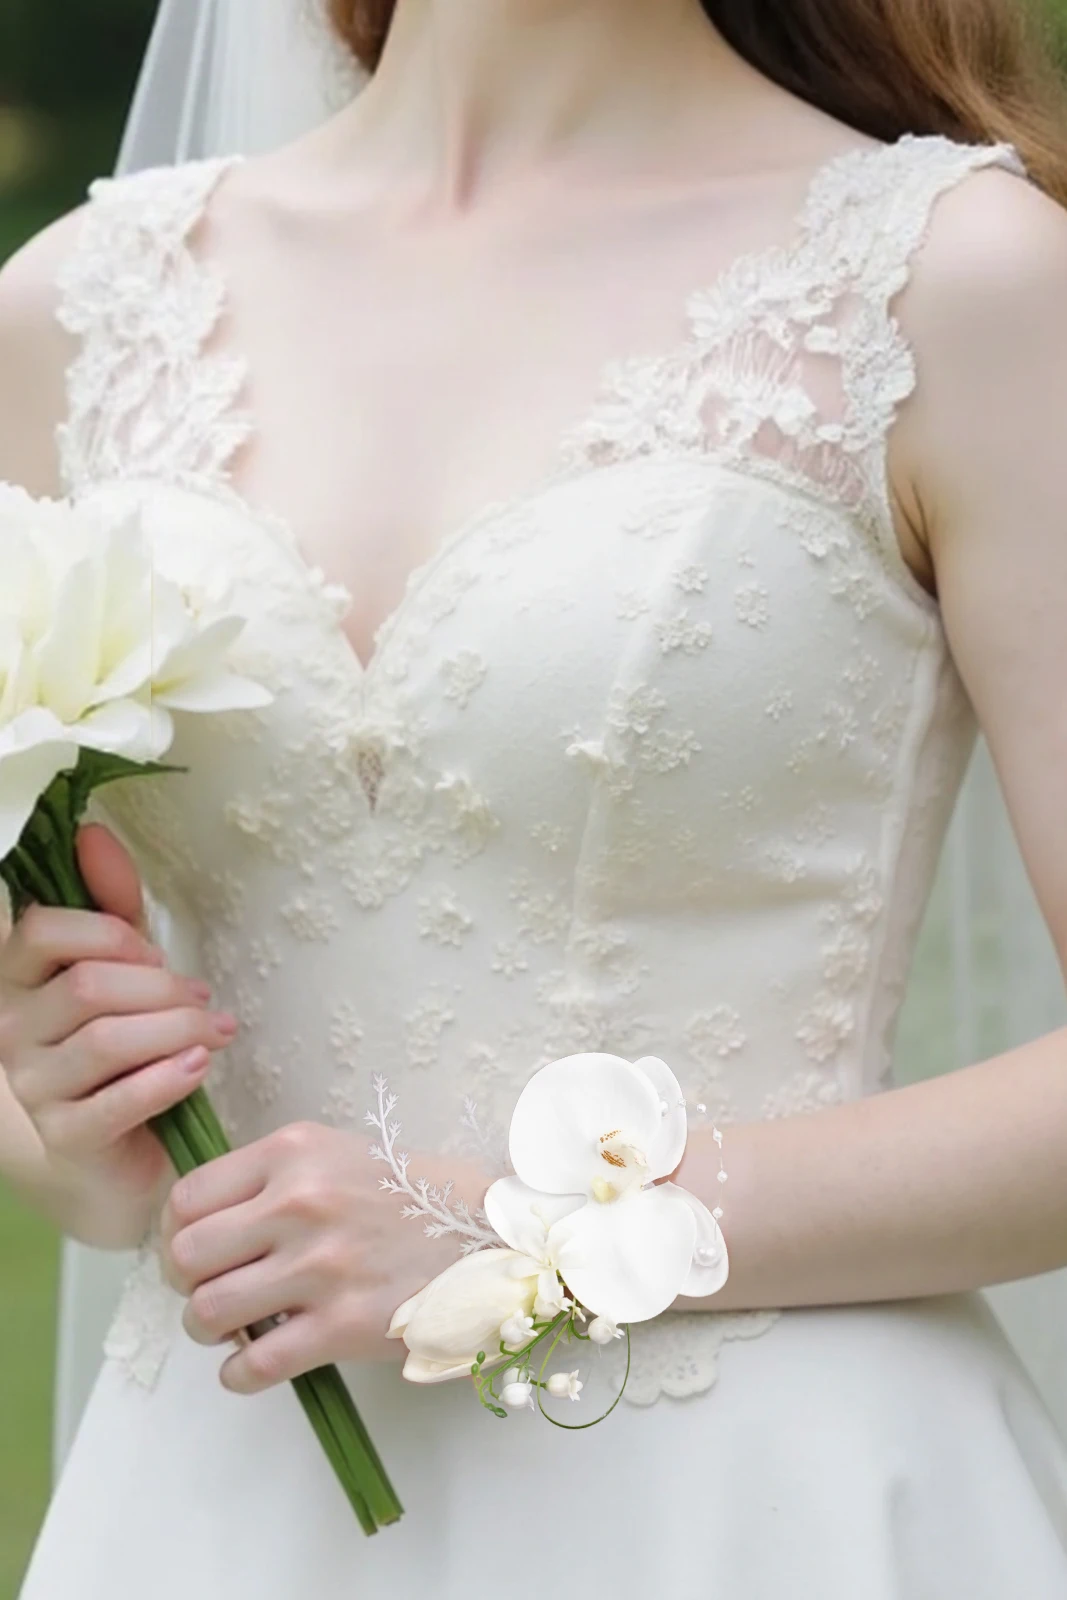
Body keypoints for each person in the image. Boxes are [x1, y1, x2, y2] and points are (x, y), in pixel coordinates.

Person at [3, 0, 1067, 1593]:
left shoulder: (960, 283)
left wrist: (528, 1230)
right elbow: (42, 1115)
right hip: (226, 1498)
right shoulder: (73, 311)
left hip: (759, 1506)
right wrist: (71, 1122)